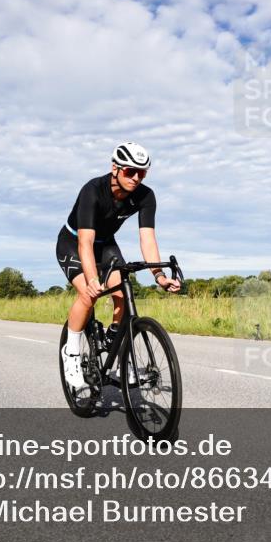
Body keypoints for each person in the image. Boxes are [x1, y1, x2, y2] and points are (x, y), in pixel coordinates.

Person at [56, 142, 181, 397]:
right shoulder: (93, 190)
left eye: (142, 173)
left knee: (123, 292)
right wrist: (91, 279)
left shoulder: (146, 196)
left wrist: (159, 276)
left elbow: (147, 239)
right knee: (88, 295)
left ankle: (115, 345)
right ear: (115, 168)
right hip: (73, 242)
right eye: (129, 171)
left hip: (106, 245)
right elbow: (85, 242)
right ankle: (71, 352)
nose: (136, 178)